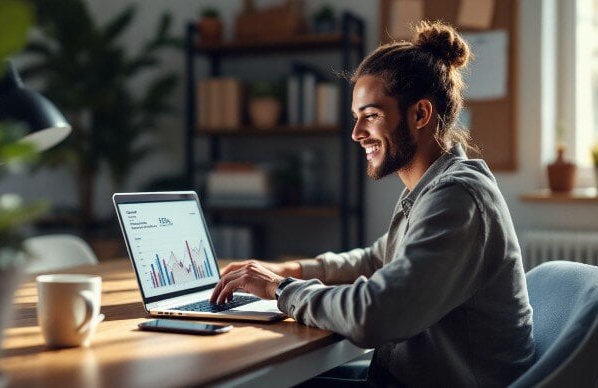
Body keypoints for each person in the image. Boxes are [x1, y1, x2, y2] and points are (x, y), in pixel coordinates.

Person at [210, 20, 534, 386]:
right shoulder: (432, 187)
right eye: (355, 118)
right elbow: (379, 258)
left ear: (419, 114)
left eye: (371, 116)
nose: (356, 133)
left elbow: (374, 315)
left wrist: (279, 290)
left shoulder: (456, 196)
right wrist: (291, 271)